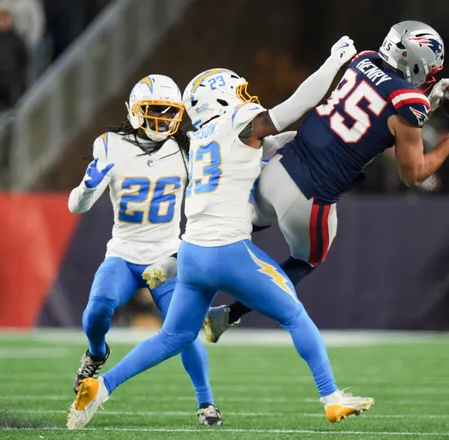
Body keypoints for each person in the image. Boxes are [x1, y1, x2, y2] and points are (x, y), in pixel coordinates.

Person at [67, 38, 374, 430]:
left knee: (173, 337)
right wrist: (333, 65)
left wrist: (317, 143)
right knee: (296, 315)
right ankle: (331, 396)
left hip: (191, 255)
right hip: (229, 250)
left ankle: (102, 386)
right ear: (222, 97)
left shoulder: (198, 140)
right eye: (238, 90)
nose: (246, 96)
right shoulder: (236, 123)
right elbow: (293, 109)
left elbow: (274, 143)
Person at [203, 20, 449, 342]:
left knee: (229, 227)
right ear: (416, 61)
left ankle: (176, 261)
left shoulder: (363, 59)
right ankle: (227, 315)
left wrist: (427, 103)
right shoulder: (410, 103)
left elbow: (382, 118)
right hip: (312, 196)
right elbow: (414, 174)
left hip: (280, 167)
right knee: (306, 260)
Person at [66, 74, 221, 426]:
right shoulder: (110, 144)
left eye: (170, 112)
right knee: (95, 313)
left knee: (185, 329)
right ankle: (96, 352)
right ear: (135, 111)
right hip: (123, 253)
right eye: (155, 111)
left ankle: (206, 402)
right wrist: (87, 188)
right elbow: (77, 206)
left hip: (167, 256)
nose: (163, 119)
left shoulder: (187, 149)